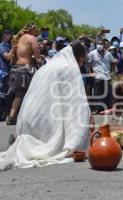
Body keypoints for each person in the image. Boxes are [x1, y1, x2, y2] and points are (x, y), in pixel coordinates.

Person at [0, 40, 94, 171]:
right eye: (82, 61)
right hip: (45, 127)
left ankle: (22, 140)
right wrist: (82, 134)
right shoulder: (69, 68)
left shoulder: (48, 66)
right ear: (77, 57)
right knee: (60, 134)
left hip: (26, 124)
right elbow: (77, 107)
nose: (81, 64)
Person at [6, 23, 42, 125]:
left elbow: (11, 56)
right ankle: (13, 116)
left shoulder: (19, 38)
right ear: (32, 29)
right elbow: (38, 56)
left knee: (18, 94)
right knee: (22, 94)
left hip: (16, 69)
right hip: (25, 70)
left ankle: (13, 115)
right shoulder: (31, 38)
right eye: (36, 30)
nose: (37, 32)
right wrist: (42, 66)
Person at [87, 38, 116, 114]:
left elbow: (113, 62)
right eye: (98, 43)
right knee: (97, 93)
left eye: (101, 43)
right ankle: (97, 109)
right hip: (97, 76)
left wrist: (112, 72)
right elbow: (87, 63)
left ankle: (108, 109)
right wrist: (90, 72)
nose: (99, 45)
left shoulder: (108, 54)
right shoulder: (92, 53)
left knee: (108, 93)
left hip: (107, 76)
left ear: (104, 44)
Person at [0, 29, 12, 121]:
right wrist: (14, 48)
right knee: (2, 94)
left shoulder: (10, 45)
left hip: (11, 72)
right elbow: (7, 57)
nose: (9, 36)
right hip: (3, 72)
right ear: (4, 35)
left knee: (8, 94)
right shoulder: (1, 46)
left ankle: (6, 112)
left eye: (9, 34)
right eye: (7, 34)